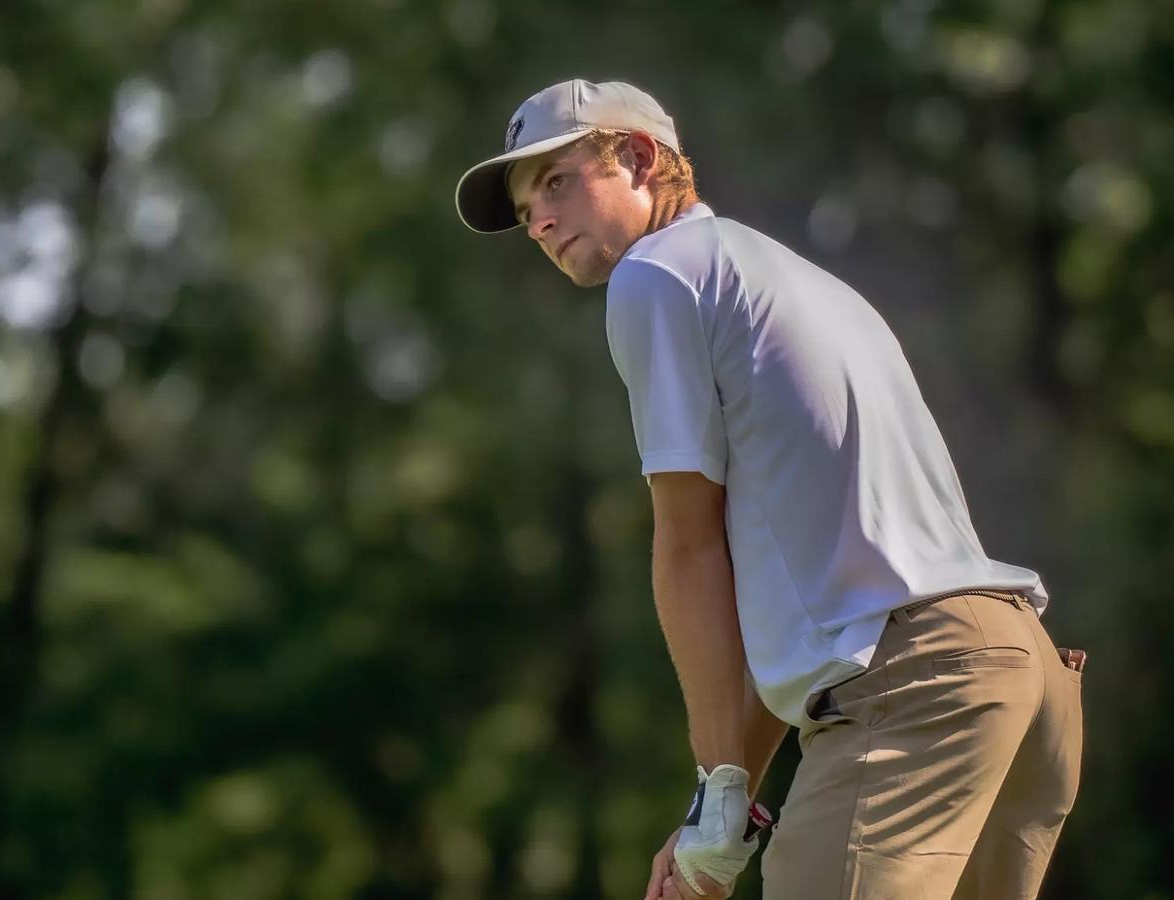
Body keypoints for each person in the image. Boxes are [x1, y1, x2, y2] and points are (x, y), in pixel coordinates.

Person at [454, 78, 1084, 900]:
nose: (538, 219)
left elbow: (688, 545)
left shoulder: (658, 275)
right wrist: (722, 814)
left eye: (558, 181)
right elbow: (816, 623)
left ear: (640, 159)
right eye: (526, 202)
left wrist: (718, 795)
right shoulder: (796, 280)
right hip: (1016, 676)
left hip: (916, 690)